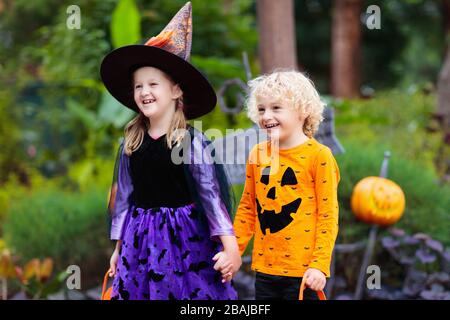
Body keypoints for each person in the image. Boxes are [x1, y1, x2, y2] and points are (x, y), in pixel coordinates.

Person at [100, 2, 240, 300]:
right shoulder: (131, 142)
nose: (144, 92)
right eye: (138, 86)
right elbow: (124, 199)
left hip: (184, 240)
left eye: (153, 84)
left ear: (176, 91)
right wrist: (118, 249)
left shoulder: (190, 142)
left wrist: (231, 247)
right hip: (139, 242)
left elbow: (211, 196)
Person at [233, 70, 340, 300]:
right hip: (265, 270)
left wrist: (319, 265)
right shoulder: (258, 154)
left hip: (304, 274)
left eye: (276, 108)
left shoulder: (319, 156)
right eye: (261, 109)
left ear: (302, 111)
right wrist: (234, 252)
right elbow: (248, 209)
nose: (266, 115)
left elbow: (327, 216)